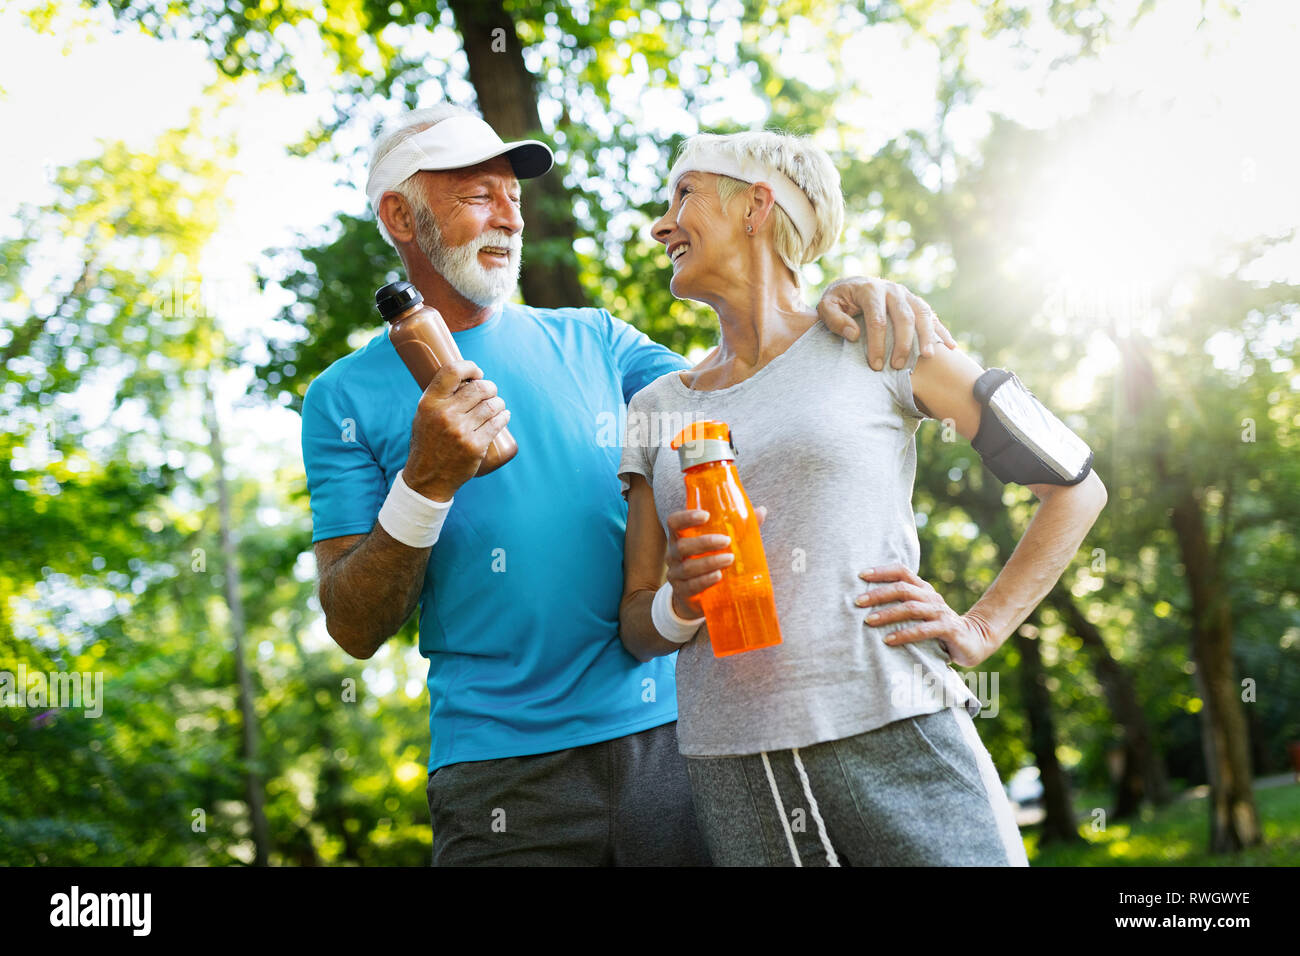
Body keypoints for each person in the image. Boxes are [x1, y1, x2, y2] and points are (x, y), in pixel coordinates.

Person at [300, 104, 956, 866]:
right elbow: (354, 624)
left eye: (514, 197)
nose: (509, 216)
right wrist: (424, 483)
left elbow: (748, 387)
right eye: (479, 195)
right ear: (400, 216)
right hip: (499, 780)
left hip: (678, 743)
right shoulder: (342, 399)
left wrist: (838, 296)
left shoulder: (600, 341)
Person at [617, 130, 1108, 866]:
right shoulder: (655, 405)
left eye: (682, 194)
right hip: (735, 768)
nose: (661, 224)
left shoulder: (881, 340)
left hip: (896, 728)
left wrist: (980, 629)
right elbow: (636, 623)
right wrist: (680, 604)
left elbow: (1075, 486)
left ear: (757, 206)